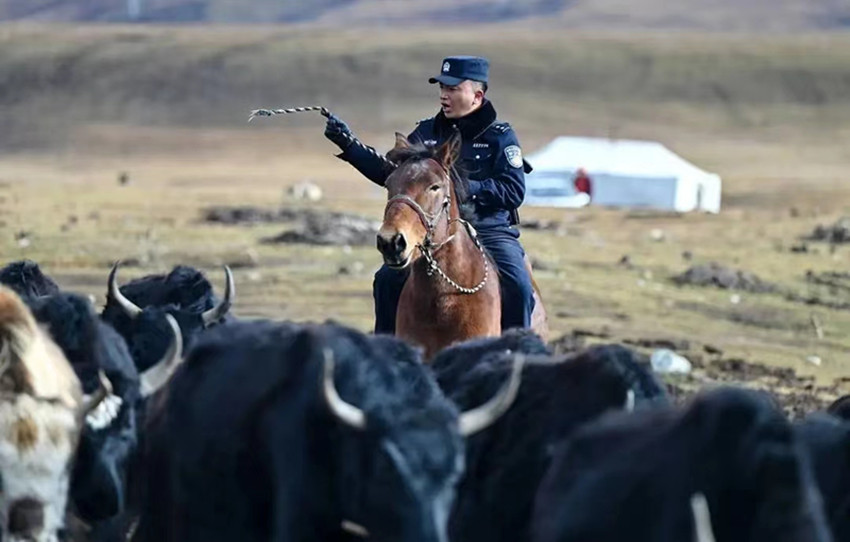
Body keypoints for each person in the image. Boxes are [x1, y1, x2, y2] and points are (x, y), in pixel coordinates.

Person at [324, 55, 535, 334]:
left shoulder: (500, 136)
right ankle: (386, 350)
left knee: (519, 286)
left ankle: (518, 350)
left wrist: (464, 189)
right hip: (433, 229)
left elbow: (513, 190)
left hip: (489, 228)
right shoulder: (426, 131)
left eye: (453, 89)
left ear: (477, 95)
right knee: (385, 281)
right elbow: (392, 174)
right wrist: (349, 145)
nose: (444, 95)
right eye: (442, 88)